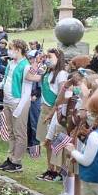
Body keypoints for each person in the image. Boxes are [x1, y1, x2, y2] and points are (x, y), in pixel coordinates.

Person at [0, 39, 33, 173]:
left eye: (11, 49)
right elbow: (7, 79)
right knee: (11, 132)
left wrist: (20, 107)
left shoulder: (26, 66)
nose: (9, 52)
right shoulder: (11, 63)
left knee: (19, 133)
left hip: (18, 102)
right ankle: (10, 157)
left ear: (18, 50)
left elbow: (26, 90)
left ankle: (17, 161)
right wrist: (0, 85)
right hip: (7, 100)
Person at [36, 49, 69, 182]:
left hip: (54, 110)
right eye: (47, 56)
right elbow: (35, 74)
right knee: (46, 141)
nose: (47, 59)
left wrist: (52, 113)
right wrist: (39, 60)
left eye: (50, 57)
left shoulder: (61, 74)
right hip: (44, 107)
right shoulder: (47, 72)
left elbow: (61, 96)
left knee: (53, 141)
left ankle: (56, 171)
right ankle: (50, 168)